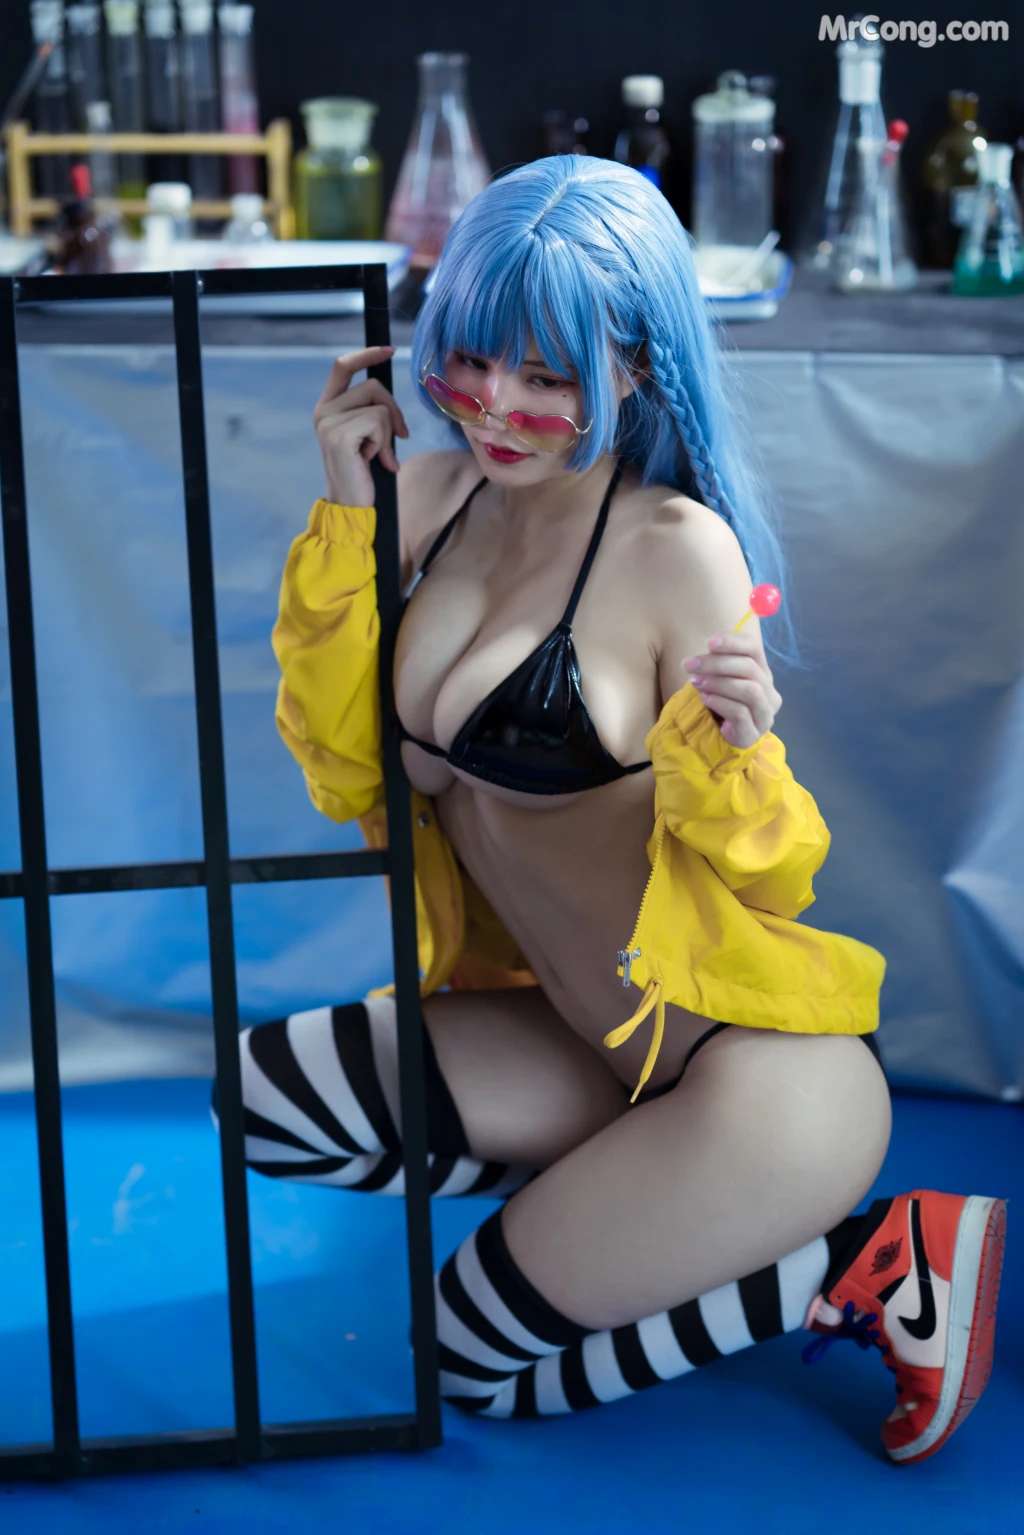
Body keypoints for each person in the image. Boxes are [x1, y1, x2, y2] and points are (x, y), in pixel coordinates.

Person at [211, 156, 1006, 1460]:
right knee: (264, 1098)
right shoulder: (429, 501)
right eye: (473, 359)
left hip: (749, 1080)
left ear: (636, 369)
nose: (497, 407)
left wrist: (735, 753)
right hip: (585, 1046)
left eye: (549, 377)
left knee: (466, 1362)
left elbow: (769, 875)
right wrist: (352, 519)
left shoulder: (673, 549)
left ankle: (864, 1259)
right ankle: (640, 1204)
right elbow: (348, 765)